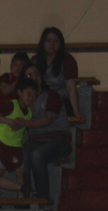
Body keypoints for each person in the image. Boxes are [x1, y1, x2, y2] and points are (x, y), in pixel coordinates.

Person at [20, 64, 73, 199]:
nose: (34, 77)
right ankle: (25, 193)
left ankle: (43, 198)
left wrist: (24, 122)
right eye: (29, 75)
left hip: (59, 140)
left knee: (37, 155)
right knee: (22, 153)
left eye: (36, 73)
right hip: (35, 140)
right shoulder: (22, 101)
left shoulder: (51, 95)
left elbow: (48, 120)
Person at [0, 78, 39, 193]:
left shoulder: (29, 112)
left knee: (20, 172)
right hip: (3, 142)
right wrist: (10, 121)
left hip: (16, 145)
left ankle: (21, 202)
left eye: (34, 95)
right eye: (28, 94)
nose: (31, 98)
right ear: (19, 92)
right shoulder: (10, 105)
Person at [32, 27, 83, 121]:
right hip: (39, 100)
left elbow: (71, 88)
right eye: (48, 41)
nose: (52, 44)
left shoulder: (68, 60)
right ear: (43, 43)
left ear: (60, 44)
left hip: (61, 101)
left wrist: (76, 111)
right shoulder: (35, 60)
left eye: (55, 41)